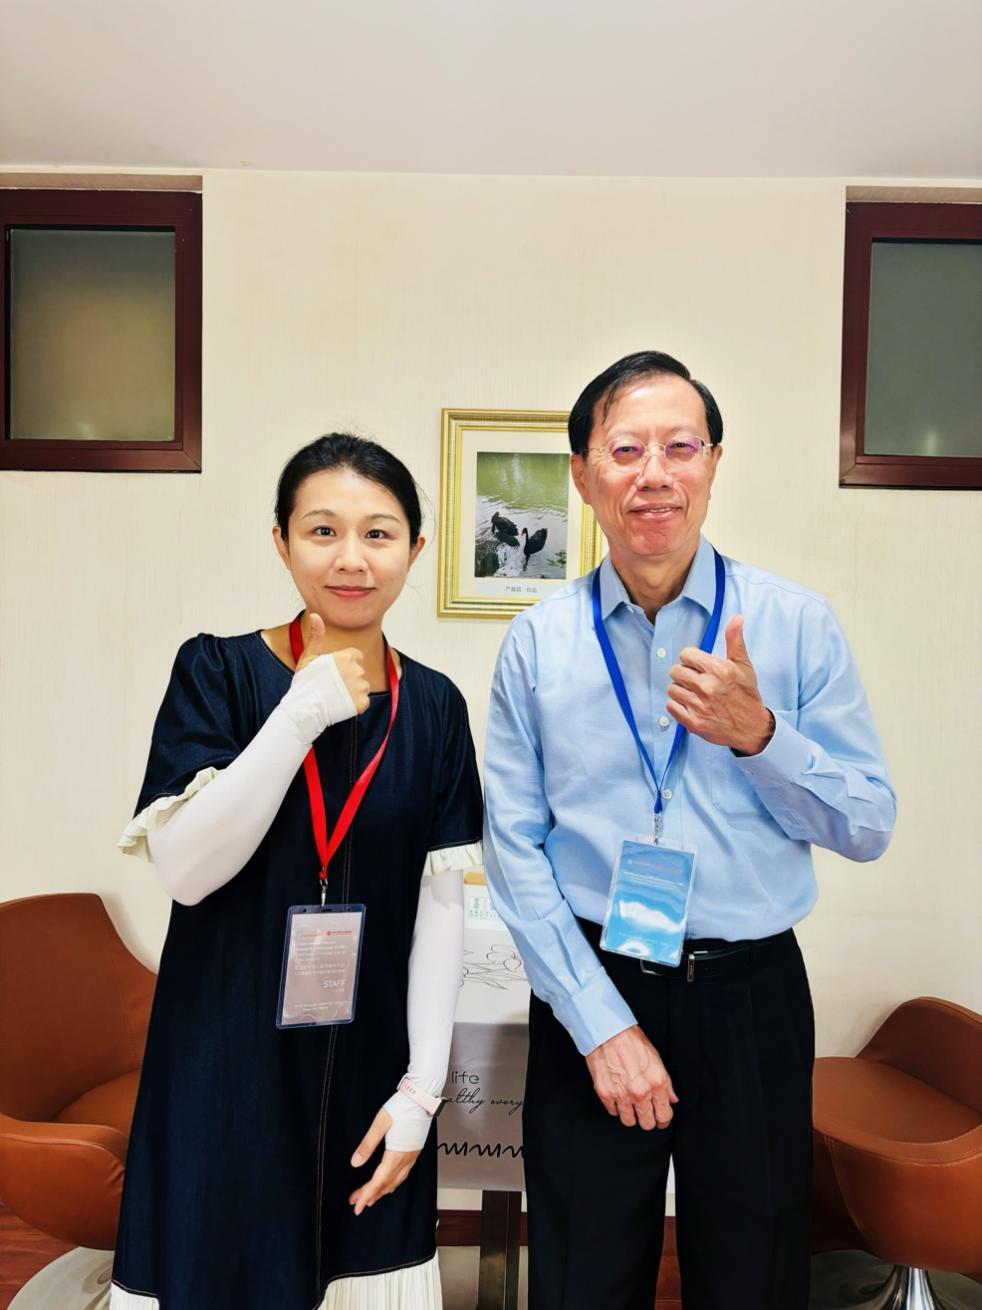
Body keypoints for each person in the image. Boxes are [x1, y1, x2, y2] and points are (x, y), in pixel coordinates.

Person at [482, 351, 896, 1310]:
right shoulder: (538, 643)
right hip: (595, 984)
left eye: (680, 447)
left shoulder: (796, 626)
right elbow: (514, 849)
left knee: (754, 1276)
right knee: (582, 1279)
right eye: (625, 449)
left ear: (714, 463)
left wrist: (762, 736)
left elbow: (868, 823)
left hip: (749, 997)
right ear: (583, 474)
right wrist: (599, 1024)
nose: (654, 473)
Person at [111, 434, 483, 1310]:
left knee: (362, 1269)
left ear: (415, 550)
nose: (351, 558)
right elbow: (187, 871)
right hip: (225, 1059)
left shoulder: (434, 706)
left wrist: (422, 1093)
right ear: (281, 542)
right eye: (322, 530)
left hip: (370, 1065)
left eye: (378, 533)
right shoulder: (217, 671)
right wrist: (298, 715)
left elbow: (440, 910)